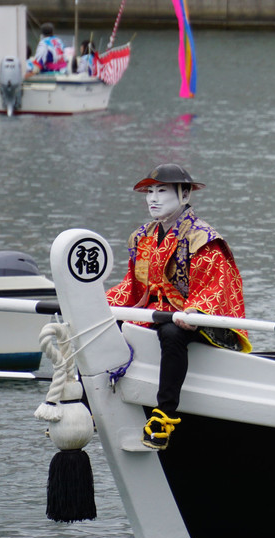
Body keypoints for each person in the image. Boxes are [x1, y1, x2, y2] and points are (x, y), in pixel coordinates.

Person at [106, 164, 251, 450]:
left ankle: (165, 414)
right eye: (150, 191)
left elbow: (215, 285)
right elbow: (133, 286)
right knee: (108, 325)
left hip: (199, 316)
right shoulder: (142, 236)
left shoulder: (203, 238)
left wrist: (195, 312)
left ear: (184, 195)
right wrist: (100, 305)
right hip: (156, 309)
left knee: (172, 334)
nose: (153, 199)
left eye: (162, 191)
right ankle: (89, 401)